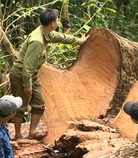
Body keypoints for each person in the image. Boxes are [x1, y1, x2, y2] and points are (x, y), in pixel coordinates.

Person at [10, 8, 89, 140]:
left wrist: (79, 41)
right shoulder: (37, 41)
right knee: (21, 105)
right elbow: (27, 67)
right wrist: (27, 85)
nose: (57, 22)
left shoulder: (46, 32)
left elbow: (61, 37)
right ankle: (17, 135)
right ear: (53, 23)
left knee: (39, 104)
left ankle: (32, 132)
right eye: (57, 20)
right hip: (21, 75)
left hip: (31, 75)